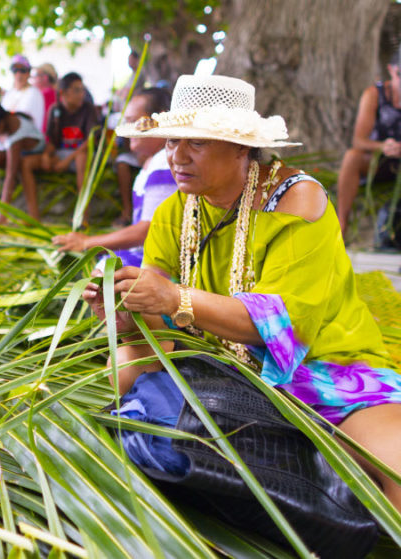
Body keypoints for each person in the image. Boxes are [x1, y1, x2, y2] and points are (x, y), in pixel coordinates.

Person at [83, 73, 401, 511]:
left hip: (327, 369)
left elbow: (284, 322)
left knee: (394, 470)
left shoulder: (296, 201)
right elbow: (159, 321)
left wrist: (174, 298)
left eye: (196, 143)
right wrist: (129, 315)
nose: (177, 156)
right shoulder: (176, 210)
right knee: (121, 366)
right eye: (172, 142)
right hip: (224, 368)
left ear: (240, 146)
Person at [53, 87, 174, 267]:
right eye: (126, 122)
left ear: (160, 119)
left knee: (102, 275)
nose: (127, 129)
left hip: (158, 260)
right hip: (146, 251)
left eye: (133, 121)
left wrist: (87, 243)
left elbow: (149, 230)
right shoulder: (153, 161)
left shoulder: (164, 161)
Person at [336, 49, 401, 234]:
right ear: (391, 69)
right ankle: (341, 225)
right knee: (352, 157)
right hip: (380, 161)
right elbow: (358, 140)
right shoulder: (374, 94)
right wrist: (384, 146)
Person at [19, 72, 98, 219]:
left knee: (81, 158)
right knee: (27, 163)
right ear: (63, 93)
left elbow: (90, 141)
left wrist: (67, 161)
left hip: (80, 156)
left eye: (82, 90)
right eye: (76, 90)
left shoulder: (88, 109)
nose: (81, 94)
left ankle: (83, 218)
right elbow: (53, 142)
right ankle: (33, 216)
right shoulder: (55, 110)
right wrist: (45, 155)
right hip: (61, 155)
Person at [1, 55, 45, 131]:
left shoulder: (34, 93)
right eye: (15, 70)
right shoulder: (9, 94)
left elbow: (28, 121)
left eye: (22, 70)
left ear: (28, 73)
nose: (19, 74)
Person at [32, 63, 58, 132]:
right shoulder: (56, 93)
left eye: (36, 75)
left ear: (45, 77)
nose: (33, 79)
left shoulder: (44, 95)